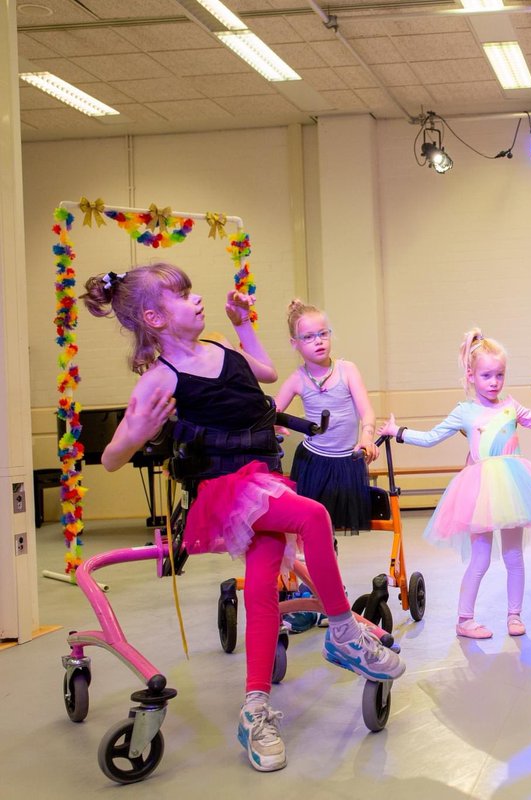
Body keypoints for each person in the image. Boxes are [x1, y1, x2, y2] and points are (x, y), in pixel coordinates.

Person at [83, 262, 404, 773]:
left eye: (192, 290)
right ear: (155, 318)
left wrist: (242, 325)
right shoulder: (161, 378)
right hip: (227, 491)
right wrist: (136, 431)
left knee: (260, 591)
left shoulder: (220, 350)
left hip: (264, 477)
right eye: (181, 295)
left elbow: (268, 373)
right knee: (315, 517)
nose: (195, 299)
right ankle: (344, 632)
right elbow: (111, 458)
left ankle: (255, 708)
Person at [394, 329, 531, 639]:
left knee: (514, 556)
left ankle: (514, 615)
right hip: (480, 489)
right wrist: (399, 432)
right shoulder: (465, 411)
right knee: (481, 558)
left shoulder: (511, 406)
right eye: (486, 375)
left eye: (499, 375)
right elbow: (432, 437)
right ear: (471, 375)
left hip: (514, 488)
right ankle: (464, 619)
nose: (494, 382)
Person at [274, 299, 378, 534]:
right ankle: (315, 563)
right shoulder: (297, 379)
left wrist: (367, 437)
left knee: (335, 524)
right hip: (314, 462)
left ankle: (328, 562)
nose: (318, 341)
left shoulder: (347, 370)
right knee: (311, 527)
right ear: (295, 343)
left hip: (346, 461)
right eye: (308, 337)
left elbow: (367, 411)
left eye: (323, 334)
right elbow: (272, 413)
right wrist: (274, 425)